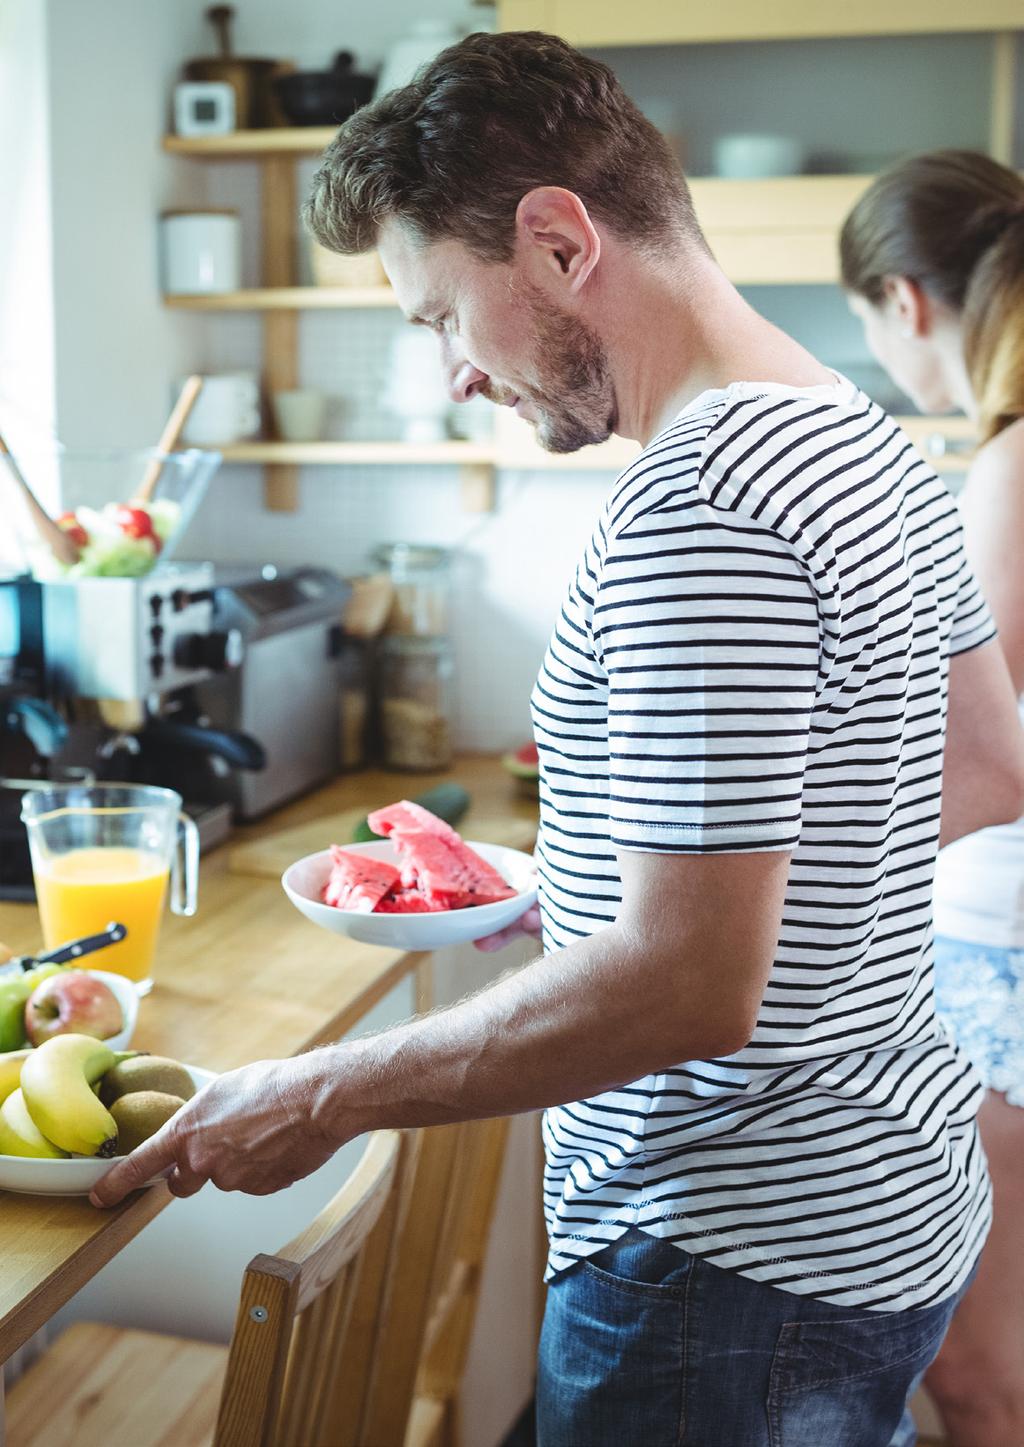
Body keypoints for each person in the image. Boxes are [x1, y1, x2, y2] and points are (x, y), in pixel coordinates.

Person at [93, 35, 1024, 1446]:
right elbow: (980, 774)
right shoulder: (864, 433)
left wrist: (320, 1096)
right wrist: (620, 867)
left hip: (723, 1258)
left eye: (440, 320)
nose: (456, 374)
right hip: (881, 1206)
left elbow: (688, 984)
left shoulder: (698, 501)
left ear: (555, 240)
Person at [841, 149, 1024, 1447]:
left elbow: (984, 764)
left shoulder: (1012, 468)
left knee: (972, 1374)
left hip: (1002, 955)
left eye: (862, 321)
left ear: (905, 303)